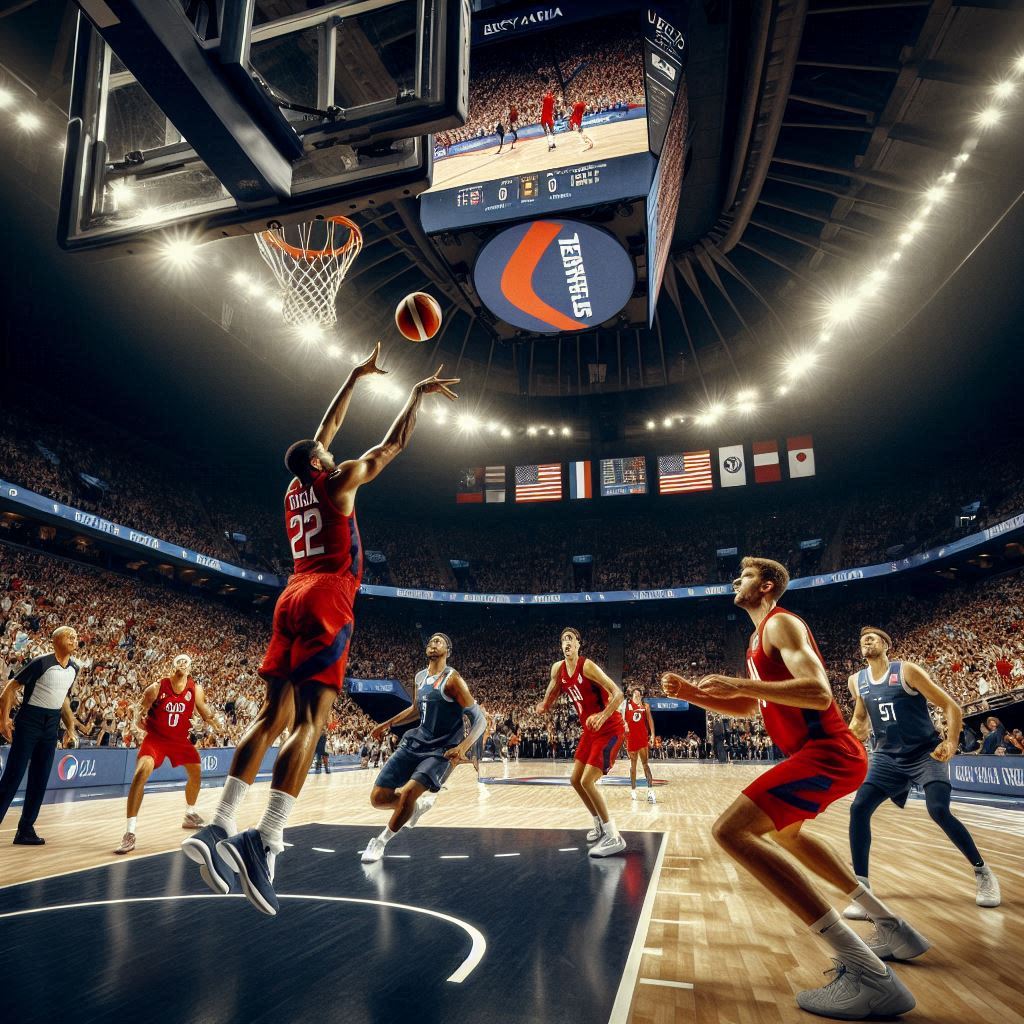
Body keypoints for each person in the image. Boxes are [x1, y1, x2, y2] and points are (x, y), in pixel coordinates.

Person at [183, 344, 459, 914]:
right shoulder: (339, 483)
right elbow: (393, 446)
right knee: (311, 722)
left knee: (270, 717)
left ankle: (218, 826)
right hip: (329, 594)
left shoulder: (295, 487)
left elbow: (319, 433)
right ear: (321, 462)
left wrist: (353, 378)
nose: (333, 448)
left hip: (290, 593)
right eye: (326, 452)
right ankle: (267, 839)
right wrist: (413, 396)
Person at [662, 558, 919, 1020]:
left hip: (828, 750)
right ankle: (892, 927)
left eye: (741, 577)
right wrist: (692, 695)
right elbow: (750, 708)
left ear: (764, 586)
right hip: (820, 753)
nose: (733, 582)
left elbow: (819, 694)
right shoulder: (757, 639)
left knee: (730, 832)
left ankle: (866, 973)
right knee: (787, 836)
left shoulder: (782, 624)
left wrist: (736, 682)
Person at [844, 627, 1000, 913]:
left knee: (938, 809)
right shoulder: (856, 681)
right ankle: (862, 889)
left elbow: (951, 706)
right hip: (886, 757)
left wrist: (951, 742)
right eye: (862, 638)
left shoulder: (906, 671)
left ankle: (982, 872)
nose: (866, 639)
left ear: (886, 644)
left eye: (873, 636)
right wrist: (845, 736)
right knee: (859, 808)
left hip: (923, 753)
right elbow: (860, 720)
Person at [361, 633, 486, 863]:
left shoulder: (453, 680)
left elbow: (480, 720)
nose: (432, 643)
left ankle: (380, 842)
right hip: (416, 741)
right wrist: (387, 724)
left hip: (441, 749)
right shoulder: (420, 676)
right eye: (430, 641)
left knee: (408, 792)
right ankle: (413, 808)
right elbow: (416, 709)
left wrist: (462, 747)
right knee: (378, 798)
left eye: (438, 641)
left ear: (448, 650)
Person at [114, 654, 221, 855]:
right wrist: (137, 723)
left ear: (190, 667)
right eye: (179, 661)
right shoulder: (155, 688)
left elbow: (205, 711)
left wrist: (216, 723)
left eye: (186, 661)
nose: (182, 664)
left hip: (180, 740)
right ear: (172, 665)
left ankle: (190, 813)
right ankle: (129, 832)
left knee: (197, 772)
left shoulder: (195, 689)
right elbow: (139, 712)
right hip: (156, 740)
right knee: (141, 773)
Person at [536, 627, 626, 857]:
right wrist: (545, 704)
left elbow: (618, 694)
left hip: (610, 728)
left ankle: (613, 836)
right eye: (563, 639)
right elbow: (553, 689)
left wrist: (602, 715)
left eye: (571, 639)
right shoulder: (558, 668)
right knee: (575, 780)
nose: (567, 643)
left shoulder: (587, 666)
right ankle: (597, 822)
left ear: (578, 645)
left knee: (588, 781)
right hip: (590, 731)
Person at [0, 626, 80, 845]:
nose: (74, 639)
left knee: (40, 777)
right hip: (29, 720)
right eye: (69, 636)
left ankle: (25, 830)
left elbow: (63, 700)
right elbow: (10, 688)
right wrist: (4, 720)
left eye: (75, 636)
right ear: (56, 641)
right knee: (13, 775)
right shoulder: (42, 663)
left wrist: (70, 729)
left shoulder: (74, 667)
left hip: (51, 725)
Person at [624, 687, 656, 803]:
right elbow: (621, 721)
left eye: (639, 695)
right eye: (635, 695)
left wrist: (652, 735)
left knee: (645, 765)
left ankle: (650, 790)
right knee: (633, 767)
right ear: (632, 696)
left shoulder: (645, 706)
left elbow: (650, 721)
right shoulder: (626, 706)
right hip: (631, 740)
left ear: (641, 696)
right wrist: (624, 727)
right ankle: (633, 790)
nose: (637, 697)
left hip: (642, 739)